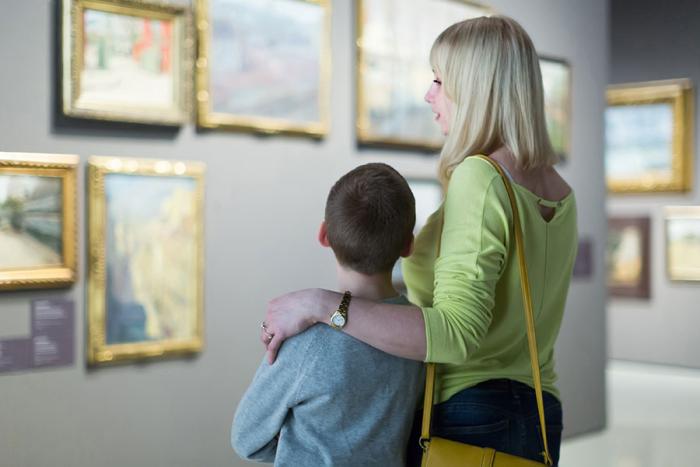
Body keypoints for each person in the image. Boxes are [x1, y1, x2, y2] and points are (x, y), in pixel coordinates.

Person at [261, 15, 576, 466]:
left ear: (475, 89)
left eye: (439, 80)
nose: (429, 95)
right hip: (539, 412)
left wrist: (320, 304)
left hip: (472, 416)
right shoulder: (560, 190)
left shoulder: (481, 178)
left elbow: (455, 336)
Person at [231, 163, 425, 466]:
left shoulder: (306, 341)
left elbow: (246, 439)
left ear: (324, 234)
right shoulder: (418, 338)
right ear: (408, 245)